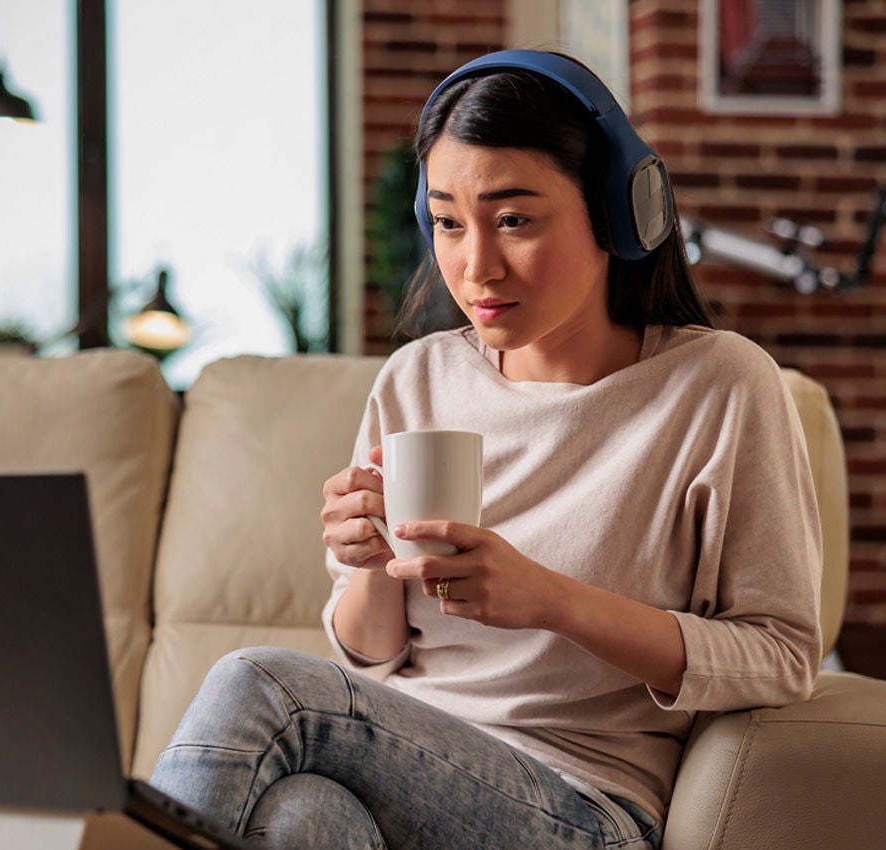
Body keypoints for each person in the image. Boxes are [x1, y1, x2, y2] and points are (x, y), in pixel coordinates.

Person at [147, 51, 822, 849]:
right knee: (304, 823)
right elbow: (372, 659)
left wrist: (552, 601)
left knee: (261, 686)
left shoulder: (718, 386)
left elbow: (781, 658)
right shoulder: (418, 378)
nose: (475, 267)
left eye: (513, 220)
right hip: (405, 766)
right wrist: (366, 564)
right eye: (447, 222)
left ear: (617, 212)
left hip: (585, 808)